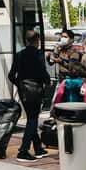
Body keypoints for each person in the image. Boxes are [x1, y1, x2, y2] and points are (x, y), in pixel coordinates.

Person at [9, 30, 50, 163]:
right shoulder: (38, 55)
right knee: (32, 120)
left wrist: (20, 84)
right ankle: (23, 151)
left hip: (23, 91)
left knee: (31, 118)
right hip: (35, 90)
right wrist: (47, 82)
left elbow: (11, 75)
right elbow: (43, 73)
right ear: (37, 41)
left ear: (26, 41)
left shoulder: (19, 55)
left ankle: (38, 148)